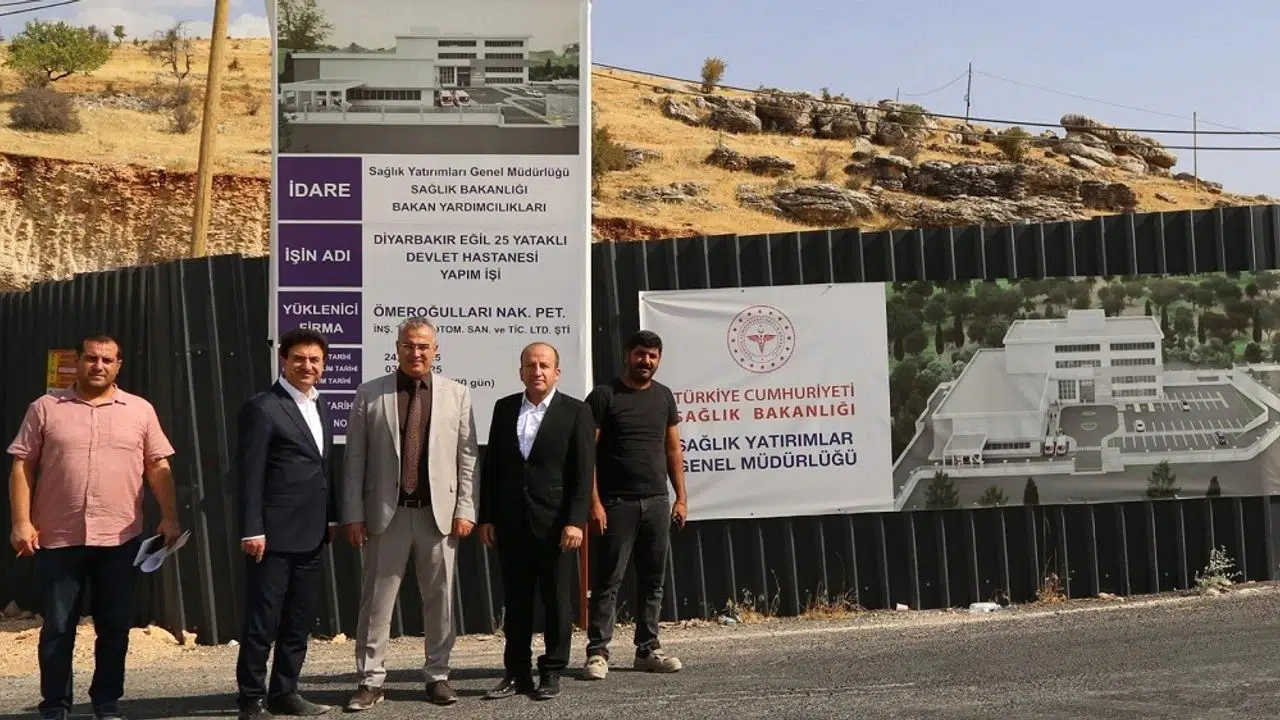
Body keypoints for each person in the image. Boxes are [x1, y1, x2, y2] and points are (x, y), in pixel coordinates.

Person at [6, 332, 181, 720]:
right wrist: (20, 521)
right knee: (57, 627)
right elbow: (22, 466)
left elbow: (158, 466)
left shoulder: (139, 410)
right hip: (58, 537)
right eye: (91, 358)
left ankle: (106, 701)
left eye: (106, 360)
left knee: (114, 627)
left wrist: (170, 516)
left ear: (118, 366)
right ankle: (55, 705)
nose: (98, 365)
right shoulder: (45, 408)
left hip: (119, 538)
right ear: (79, 361)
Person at [340, 317, 479, 709]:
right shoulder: (370, 393)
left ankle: (438, 676)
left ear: (435, 351)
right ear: (397, 348)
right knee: (376, 603)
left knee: (440, 600)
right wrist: (353, 514)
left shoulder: (457, 395)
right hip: (387, 515)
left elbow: (467, 457)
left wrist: (466, 508)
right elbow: (354, 460)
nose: (416, 352)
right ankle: (370, 681)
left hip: (439, 516)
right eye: (408, 345)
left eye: (423, 346)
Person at [477, 342, 594, 702]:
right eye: (531, 365)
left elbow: (582, 474)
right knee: (517, 601)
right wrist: (487, 517)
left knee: (556, 601)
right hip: (512, 524)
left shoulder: (576, 412)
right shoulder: (504, 408)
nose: (537, 371)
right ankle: (516, 673)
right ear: (521, 372)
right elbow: (493, 467)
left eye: (544, 365)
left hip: (556, 526)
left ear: (557, 372)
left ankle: (552, 671)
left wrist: (575, 522)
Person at [233, 327, 338, 720]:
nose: (307, 366)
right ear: (283, 360)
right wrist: (252, 528)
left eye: (314, 360)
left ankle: (285, 692)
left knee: (298, 620)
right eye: (299, 358)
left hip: (312, 534)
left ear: (323, 365)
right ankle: (251, 699)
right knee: (262, 622)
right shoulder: (263, 407)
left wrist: (331, 518)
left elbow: (323, 469)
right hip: (272, 537)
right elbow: (249, 474)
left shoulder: (320, 406)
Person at [581, 329, 688, 680]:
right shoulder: (604, 396)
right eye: (640, 354)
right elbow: (586, 454)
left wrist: (681, 498)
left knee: (653, 580)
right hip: (616, 503)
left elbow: (673, 449)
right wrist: (594, 502)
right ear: (628, 355)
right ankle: (598, 652)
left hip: (657, 501)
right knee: (608, 580)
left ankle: (647, 649)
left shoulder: (664, 396)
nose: (646, 361)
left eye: (653, 356)